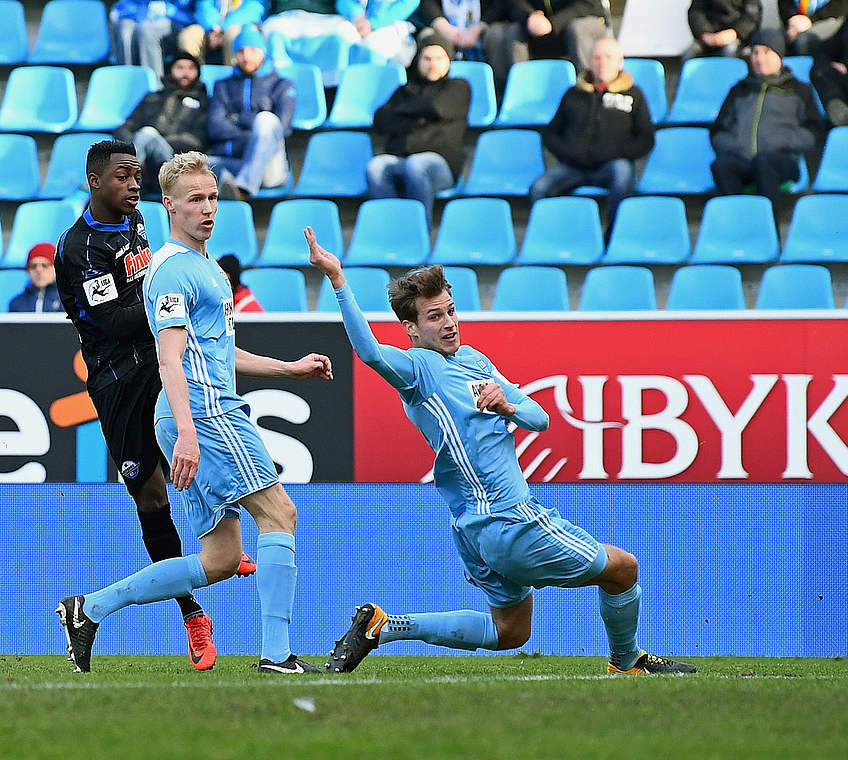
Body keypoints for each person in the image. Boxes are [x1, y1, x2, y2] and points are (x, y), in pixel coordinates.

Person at [304, 232, 697, 677]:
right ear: (412, 329)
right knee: (624, 569)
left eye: (451, 310)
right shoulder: (418, 369)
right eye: (435, 317)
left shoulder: (473, 359)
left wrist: (508, 405)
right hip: (509, 519)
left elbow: (539, 417)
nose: (450, 323)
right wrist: (338, 280)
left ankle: (384, 626)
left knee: (510, 631)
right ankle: (626, 662)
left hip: (472, 528)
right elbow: (370, 352)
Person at [56, 152, 334, 675]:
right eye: (195, 201)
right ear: (170, 206)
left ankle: (89, 610)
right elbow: (170, 355)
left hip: (196, 410)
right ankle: (277, 656)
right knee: (280, 515)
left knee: (222, 559)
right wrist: (186, 431)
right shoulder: (172, 271)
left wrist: (288, 370)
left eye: (212, 199)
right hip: (206, 413)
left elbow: (219, 352)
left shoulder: (205, 269)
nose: (207, 209)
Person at [52, 141, 253, 673]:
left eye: (137, 176)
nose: (133, 185)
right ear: (96, 181)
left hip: (161, 359)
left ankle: (219, 544)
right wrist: (169, 301)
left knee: (197, 437)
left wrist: (171, 304)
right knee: (150, 497)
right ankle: (192, 612)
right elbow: (111, 322)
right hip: (119, 378)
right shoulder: (79, 249)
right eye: (123, 177)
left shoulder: (138, 220)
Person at [530, 37, 655, 232]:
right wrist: (568, 152)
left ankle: (613, 237)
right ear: (589, 62)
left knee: (623, 174)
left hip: (611, 165)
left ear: (620, 61)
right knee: (539, 188)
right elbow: (551, 133)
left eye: (608, 57)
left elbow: (646, 138)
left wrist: (618, 152)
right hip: (573, 167)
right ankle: (556, 236)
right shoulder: (573, 93)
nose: (602, 63)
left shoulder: (634, 95)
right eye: (597, 58)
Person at [710, 29, 821, 206]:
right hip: (743, 159)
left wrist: (781, 141)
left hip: (781, 160)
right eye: (755, 52)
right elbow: (718, 131)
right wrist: (736, 145)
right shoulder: (739, 89)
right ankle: (735, 224)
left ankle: (769, 227)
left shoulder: (799, 90)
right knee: (722, 166)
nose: (759, 59)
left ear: (779, 55)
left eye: (766, 52)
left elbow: (813, 131)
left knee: (764, 163)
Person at [369, 37, 472, 225]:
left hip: (440, 165)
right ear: (418, 61)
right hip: (402, 158)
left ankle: (418, 231)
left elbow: (438, 108)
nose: (432, 64)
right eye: (427, 59)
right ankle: (389, 227)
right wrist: (419, 114)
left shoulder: (458, 87)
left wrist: (401, 111)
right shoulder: (405, 90)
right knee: (375, 167)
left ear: (449, 60)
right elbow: (381, 120)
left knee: (417, 165)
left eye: (439, 59)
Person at [206, 26, 297, 200]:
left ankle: (243, 189)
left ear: (263, 52)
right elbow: (214, 126)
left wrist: (240, 119)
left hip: (270, 168)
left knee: (266, 120)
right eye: (240, 51)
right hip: (234, 163)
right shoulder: (223, 85)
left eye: (253, 50)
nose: (246, 57)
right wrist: (251, 135)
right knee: (191, 164)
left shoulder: (282, 85)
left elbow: (283, 128)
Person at [114, 50, 211, 199]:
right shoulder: (152, 97)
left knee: (148, 134)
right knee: (144, 136)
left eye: (191, 68)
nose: (185, 72)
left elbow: (197, 141)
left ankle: (116, 186)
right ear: (170, 70)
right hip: (146, 164)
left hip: (178, 165)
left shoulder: (204, 102)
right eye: (180, 67)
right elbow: (125, 128)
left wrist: (158, 141)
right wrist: (136, 150)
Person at [483, 0, 609, 95]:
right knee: (508, 31)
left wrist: (553, 23)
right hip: (535, 29)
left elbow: (589, 5)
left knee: (578, 28)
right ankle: (519, 93)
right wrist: (530, 17)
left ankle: (588, 90)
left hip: (576, 24)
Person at [111, 0, 196, 78]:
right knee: (125, 30)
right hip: (141, 16)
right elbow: (126, 5)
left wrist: (168, 9)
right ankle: (128, 81)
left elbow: (190, 9)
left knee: (147, 31)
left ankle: (154, 86)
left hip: (178, 21)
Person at [179, 0, 266, 64]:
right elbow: (203, 5)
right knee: (189, 36)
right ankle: (193, 78)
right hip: (210, 27)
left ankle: (235, 78)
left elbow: (254, 8)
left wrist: (223, 28)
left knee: (234, 34)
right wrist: (213, 27)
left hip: (240, 27)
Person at [683, 0, 762, 61]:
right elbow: (695, 12)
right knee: (690, 53)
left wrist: (735, 32)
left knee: (730, 50)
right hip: (709, 35)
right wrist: (705, 33)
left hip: (737, 37)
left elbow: (752, 15)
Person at [778, 0, 848, 59]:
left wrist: (810, 20)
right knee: (775, 37)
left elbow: (844, 5)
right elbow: (784, 3)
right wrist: (793, 19)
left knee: (803, 40)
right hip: (796, 22)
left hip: (832, 18)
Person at [417, 0, 489, 62]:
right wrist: (441, 24)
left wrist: (479, 27)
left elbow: (497, 6)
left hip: (482, 30)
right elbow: (427, 4)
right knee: (429, 35)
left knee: (496, 35)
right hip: (445, 29)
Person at [8, 244, 63, 313]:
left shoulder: (69, 302)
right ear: (28, 270)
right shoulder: (16, 304)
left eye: (44, 265)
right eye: (33, 266)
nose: (38, 270)